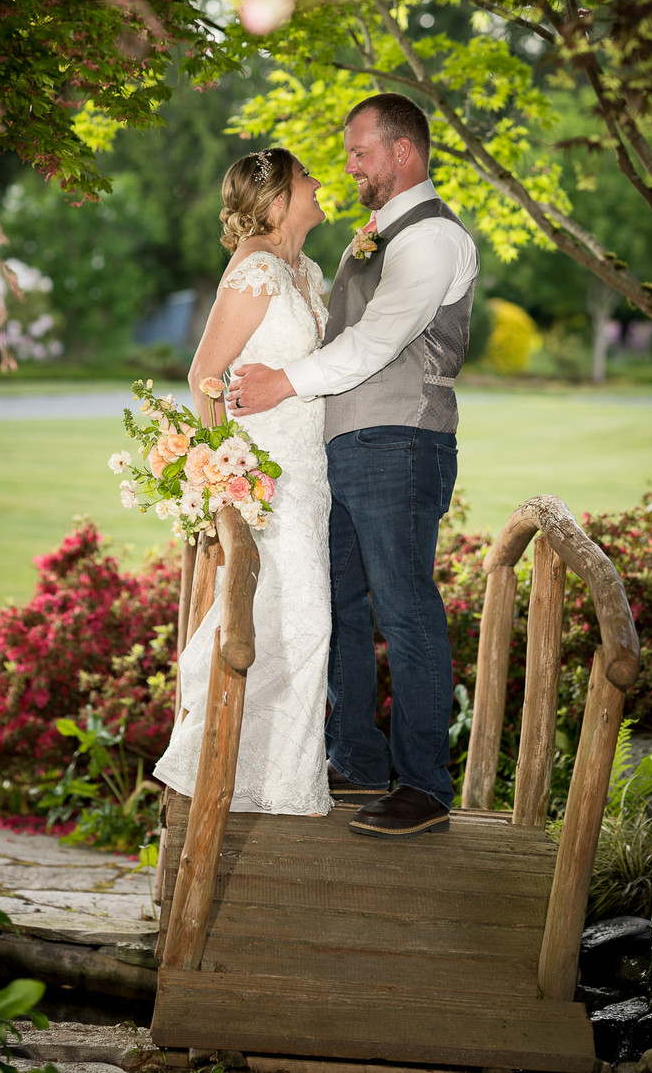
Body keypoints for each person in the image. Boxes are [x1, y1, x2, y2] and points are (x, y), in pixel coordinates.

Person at [228, 93, 479, 838]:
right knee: (343, 607)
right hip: (350, 449)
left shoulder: (432, 239)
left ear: (404, 151)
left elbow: (377, 340)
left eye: (360, 152)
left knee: (405, 609)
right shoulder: (375, 235)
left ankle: (425, 787)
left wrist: (282, 383)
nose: (350, 166)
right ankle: (359, 759)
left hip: (403, 442)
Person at [153, 147, 333, 816]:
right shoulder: (256, 269)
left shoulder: (307, 270)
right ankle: (224, 773)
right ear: (279, 197)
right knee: (292, 620)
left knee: (299, 623)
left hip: (311, 474)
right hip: (267, 478)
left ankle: (273, 787)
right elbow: (206, 374)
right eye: (307, 177)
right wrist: (223, 470)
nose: (320, 183)